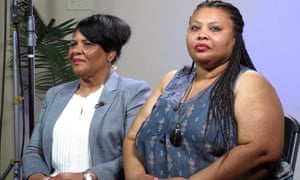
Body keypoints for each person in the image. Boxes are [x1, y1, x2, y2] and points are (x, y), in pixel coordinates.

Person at [123, 1, 293, 179]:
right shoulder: (171, 80)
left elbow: (261, 151)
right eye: (195, 28)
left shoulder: (248, 82)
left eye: (215, 29)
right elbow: (132, 138)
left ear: (235, 38)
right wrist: (138, 177)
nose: (202, 35)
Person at [22, 14, 151, 180]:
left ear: (110, 53)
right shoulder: (55, 94)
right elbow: (34, 150)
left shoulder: (133, 92)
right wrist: (38, 178)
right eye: (73, 44)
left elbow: (134, 153)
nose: (76, 50)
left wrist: (87, 177)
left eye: (87, 44)